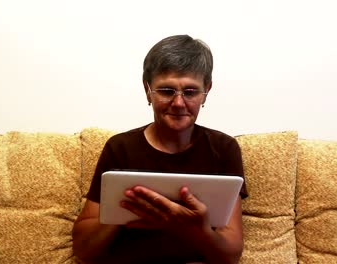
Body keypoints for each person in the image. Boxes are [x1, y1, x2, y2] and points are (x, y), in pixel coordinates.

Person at [72, 34, 247, 264]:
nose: (178, 103)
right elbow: (83, 251)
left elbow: (231, 254)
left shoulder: (224, 149)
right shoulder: (120, 148)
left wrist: (196, 228)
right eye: (166, 90)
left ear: (207, 90)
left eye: (190, 92)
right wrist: (125, 210)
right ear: (147, 90)